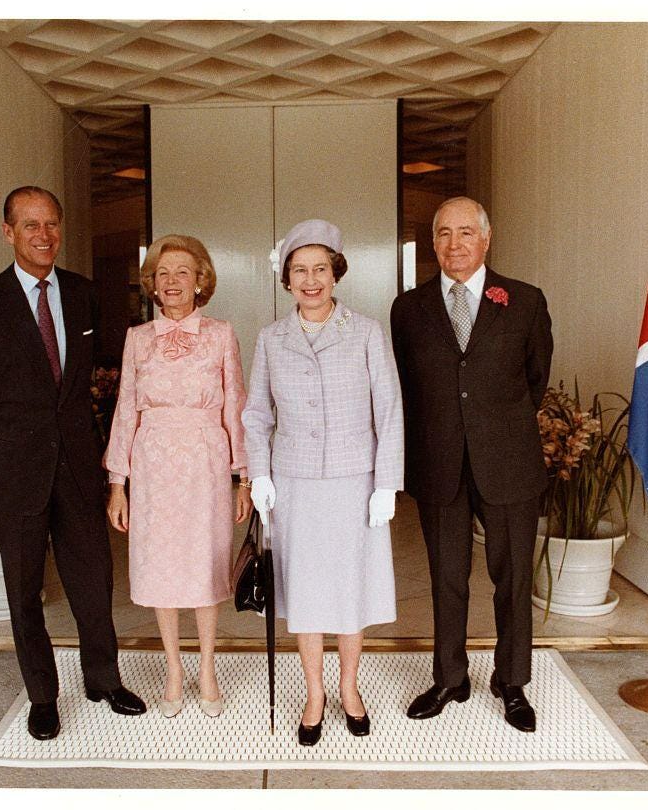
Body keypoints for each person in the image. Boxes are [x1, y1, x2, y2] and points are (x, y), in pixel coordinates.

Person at [0, 186, 145, 741]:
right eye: (31, 225)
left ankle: (102, 680)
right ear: (8, 232)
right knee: (23, 587)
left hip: (79, 464)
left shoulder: (83, 294)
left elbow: (93, 372)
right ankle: (42, 696)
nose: (44, 235)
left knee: (93, 578)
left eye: (52, 224)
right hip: (16, 467)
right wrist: (19, 423)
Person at [390, 196, 553, 733]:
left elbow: (534, 381)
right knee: (446, 578)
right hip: (438, 462)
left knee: (510, 580)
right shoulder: (408, 310)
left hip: (507, 460)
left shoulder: (525, 302)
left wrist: (492, 427)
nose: (454, 244)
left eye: (465, 232)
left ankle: (511, 682)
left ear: (486, 239)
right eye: (443, 233)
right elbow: (409, 389)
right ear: (432, 242)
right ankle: (449, 678)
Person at [243, 219, 403, 746]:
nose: (310, 280)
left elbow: (390, 410)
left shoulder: (366, 332)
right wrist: (261, 477)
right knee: (308, 594)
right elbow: (257, 415)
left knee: (352, 589)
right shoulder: (271, 339)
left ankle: (350, 689)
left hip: (356, 483)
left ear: (335, 273)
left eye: (319, 269)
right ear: (286, 279)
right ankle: (314, 693)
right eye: (299, 270)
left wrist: (387, 483)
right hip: (296, 485)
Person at [104, 235, 251, 719]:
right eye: (163, 273)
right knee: (161, 566)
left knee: (205, 565)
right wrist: (118, 483)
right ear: (152, 282)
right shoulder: (137, 339)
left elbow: (236, 405)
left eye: (182, 272)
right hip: (153, 463)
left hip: (206, 461)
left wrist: (243, 478)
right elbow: (126, 408)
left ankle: (206, 668)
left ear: (200, 280)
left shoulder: (221, 333)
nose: (172, 282)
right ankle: (172, 670)